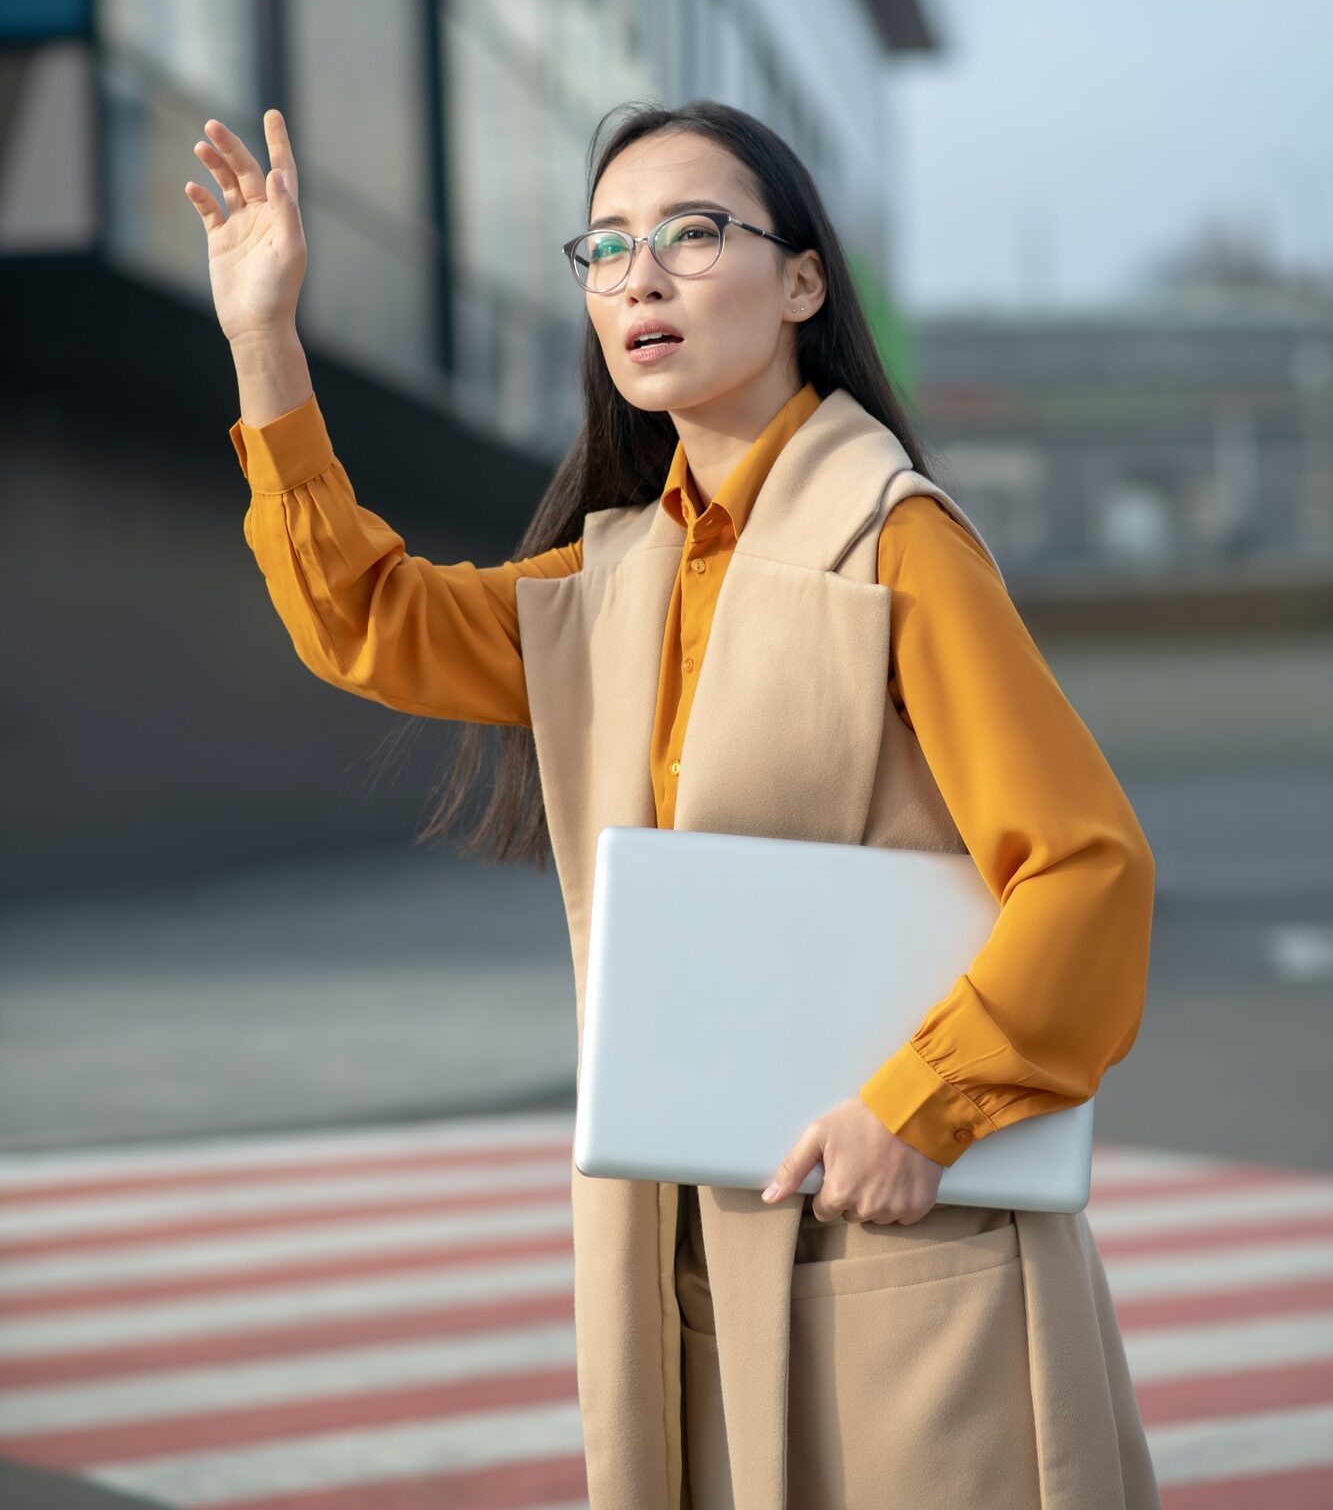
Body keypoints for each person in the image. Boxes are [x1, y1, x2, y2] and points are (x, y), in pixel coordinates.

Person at [186, 100, 1161, 1510]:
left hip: (896, 1222)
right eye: (607, 247)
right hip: (691, 1247)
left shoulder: (898, 543)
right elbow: (365, 619)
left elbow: (1086, 870)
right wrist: (261, 339)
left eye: (693, 235)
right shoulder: (613, 580)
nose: (639, 276)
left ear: (803, 282)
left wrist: (919, 1108)